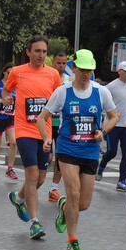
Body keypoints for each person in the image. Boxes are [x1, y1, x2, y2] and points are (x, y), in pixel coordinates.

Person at [38, 49, 118, 250]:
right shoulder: (63, 92)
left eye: (89, 69)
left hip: (90, 151)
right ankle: (72, 242)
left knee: (83, 204)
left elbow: (114, 116)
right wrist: (47, 138)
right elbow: (42, 117)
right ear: (73, 68)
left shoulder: (101, 92)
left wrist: (104, 130)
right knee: (74, 193)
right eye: (82, 69)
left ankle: (65, 207)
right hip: (67, 149)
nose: (86, 73)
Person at [4, 34, 61, 239]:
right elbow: (6, 89)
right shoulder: (18, 72)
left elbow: (58, 99)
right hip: (24, 130)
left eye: (44, 52)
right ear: (28, 52)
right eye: (37, 51)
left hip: (44, 131)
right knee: (32, 174)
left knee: (41, 178)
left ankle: (19, 199)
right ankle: (35, 223)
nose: (41, 55)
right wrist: (6, 98)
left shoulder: (53, 74)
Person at [96, 60, 126, 191]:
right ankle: (102, 166)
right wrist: (110, 117)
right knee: (112, 152)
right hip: (113, 126)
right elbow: (102, 106)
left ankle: (122, 181)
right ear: (119, 72)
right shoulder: (110, 87)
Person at [47, 52, 70, 201]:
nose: (61, 66)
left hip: (62, 124)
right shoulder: (47, 77)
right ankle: (36, 180)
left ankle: (53, 189)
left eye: (64, 63)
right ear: (53, 63)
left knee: (60, 159)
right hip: (48, 122)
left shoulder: (69, 81)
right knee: (47, 157)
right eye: (58, 63)